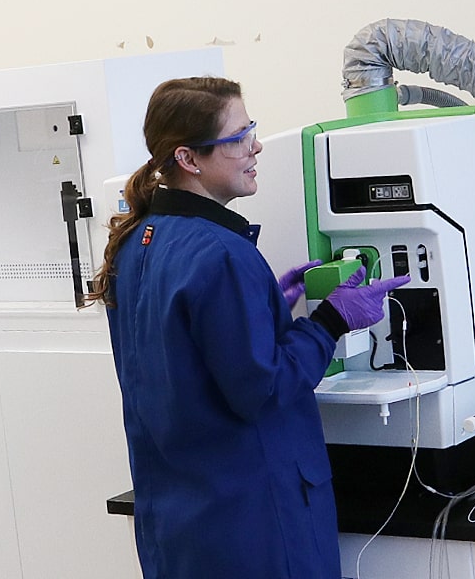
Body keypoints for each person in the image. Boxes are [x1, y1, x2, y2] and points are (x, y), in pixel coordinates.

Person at [89, 77, 408, 578]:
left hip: (182, 523)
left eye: (252, 129)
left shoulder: (139, 244)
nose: (255, 145)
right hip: (254, 522)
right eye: (238, 137)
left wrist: (263, 308)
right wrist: (332, 319)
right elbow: (264, 387)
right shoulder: (222, 254)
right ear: (189, 159)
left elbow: (179, 356)